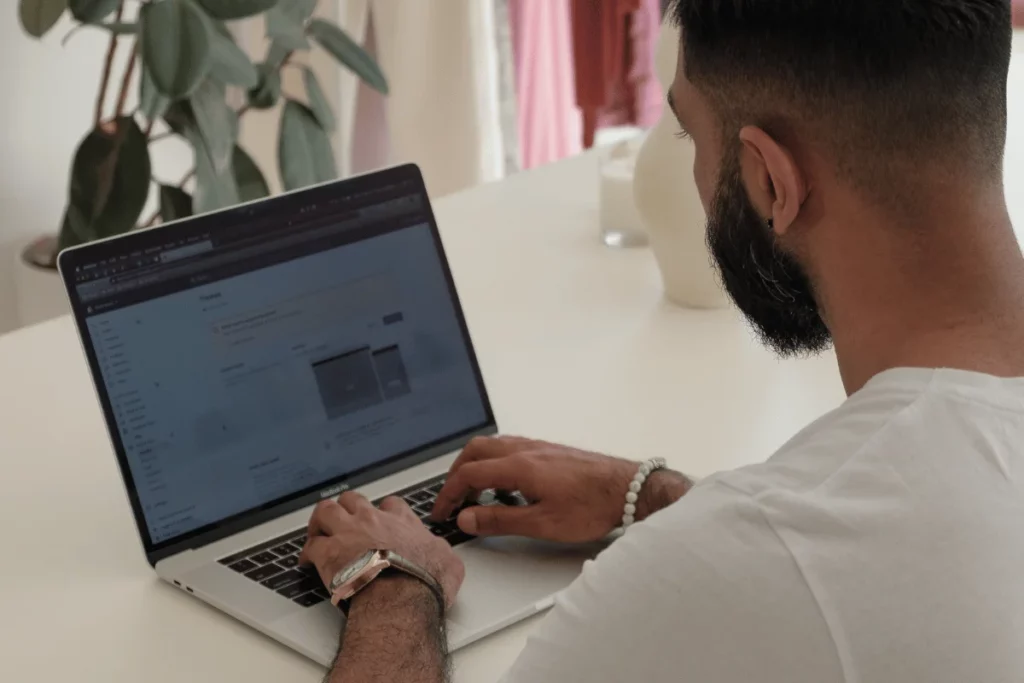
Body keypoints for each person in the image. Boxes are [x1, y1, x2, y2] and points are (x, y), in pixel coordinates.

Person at [300, 1, 1024, 681]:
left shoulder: (732, 565)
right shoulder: (819, 542)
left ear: (772, 181)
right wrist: (656, 495)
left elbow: (796, 560)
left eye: (690, 134)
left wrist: (395, 587)